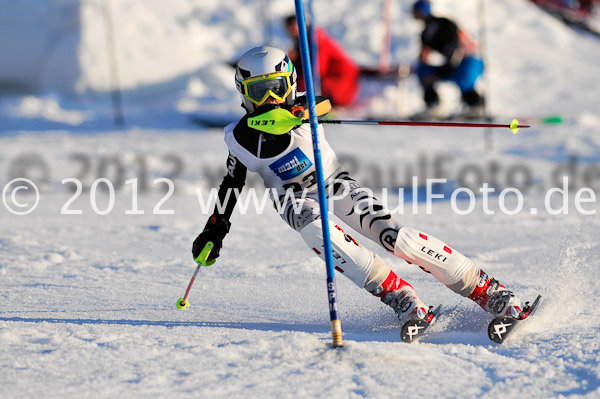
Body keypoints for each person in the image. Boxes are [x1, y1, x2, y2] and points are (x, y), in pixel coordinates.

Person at [192, 45, 529, 333]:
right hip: (292, 199)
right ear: (243, 93)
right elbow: (231, 182)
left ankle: (487, 290)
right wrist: (216, 227)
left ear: (290, 84)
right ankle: (400, 296)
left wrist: (299, 110)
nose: (269, 99)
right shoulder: (239, 137)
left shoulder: (305, 110)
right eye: (258, 91)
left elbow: (322, 103)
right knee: (315, 230)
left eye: (276, 87)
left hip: (335, 184)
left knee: (397, 238)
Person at [411, 0, 485, 120]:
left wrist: (445, 69)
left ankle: (475, 105)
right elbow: (424, 55)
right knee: (424, 71)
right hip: (453, 62)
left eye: (415, 11)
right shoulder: (425, 32)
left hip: (470, 59)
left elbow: (456, 46)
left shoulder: (443, 23)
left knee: (464, 77)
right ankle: (432, 105)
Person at [285, 15, 360, 107]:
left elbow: (317, 71)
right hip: (333, 84)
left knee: (304, 84)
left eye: (294, 26)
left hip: (342, 85)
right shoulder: (304, 42)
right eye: (290, 27)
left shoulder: (317, 41)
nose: (292, 30)